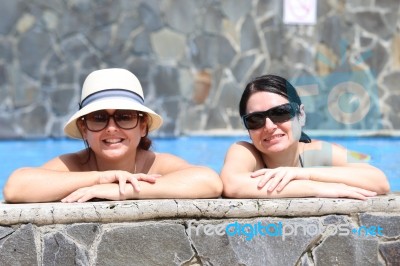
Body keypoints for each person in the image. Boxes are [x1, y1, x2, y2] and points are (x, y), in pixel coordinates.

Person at [3, 68, 223, 203]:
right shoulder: (74, 165)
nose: (111, 127)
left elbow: (209, 181)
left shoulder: (155, 165)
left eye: (124, 116)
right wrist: (100, 178)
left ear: (143, 126)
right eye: (98, 118)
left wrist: (124, 190)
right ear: (83, 128)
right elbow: (16, 187)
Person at [220, 74, 390, 200]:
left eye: (281, 112)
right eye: (255, 119)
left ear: (301, 115)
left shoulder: (322, 149)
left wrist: (302, 174)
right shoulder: (243, 150)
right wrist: (314, 188)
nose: (269, 126)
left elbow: (379, 180)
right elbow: (231, 184)